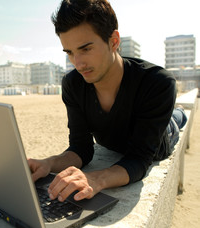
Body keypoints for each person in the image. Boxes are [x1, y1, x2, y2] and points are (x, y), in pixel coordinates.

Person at [28, 0, 187, 203]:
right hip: (119, 140)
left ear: (114, 41)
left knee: (177, 118)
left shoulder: (157, 82)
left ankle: (178, 110)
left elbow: (139, 159)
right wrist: (48, 163)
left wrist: (95, 179)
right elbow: (81, 148)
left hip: (164, 137)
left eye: (85, 49)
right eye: (70, 52)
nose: (78, 63)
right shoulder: (73, 84)